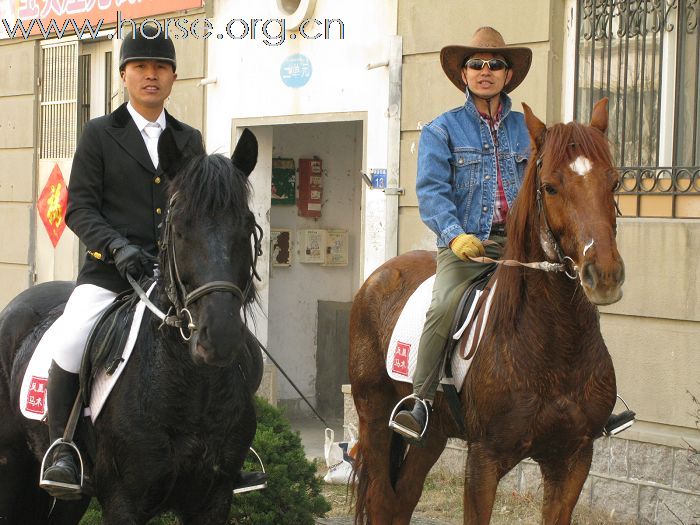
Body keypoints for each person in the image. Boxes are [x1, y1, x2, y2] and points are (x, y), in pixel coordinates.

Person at [39, 25, 266, 499]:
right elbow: (79, 207)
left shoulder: (190, 138)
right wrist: (118, 248)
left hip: (178, 278)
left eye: (160, 67)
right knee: (72, 335)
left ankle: (231, 453)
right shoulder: (101, 134)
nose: (150, 75)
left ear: (173, 77)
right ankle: (64, 450)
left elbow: (201, 212)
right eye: (140, 66)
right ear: (124, 75)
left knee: (238, 345)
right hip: (111, 272)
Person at [390, 26, 635, 442]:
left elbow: (565, 179)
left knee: (575, 301)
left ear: (508, 75)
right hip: (467, 248)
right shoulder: (441, 131)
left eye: (495, 65)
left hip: (525, 246)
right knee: (445, 304)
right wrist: (453, 236)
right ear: (464, 74)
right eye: (476, 64)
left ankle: (598, 400)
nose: (485, 71)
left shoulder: (532, 131)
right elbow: (431, 193)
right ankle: (421, 401)